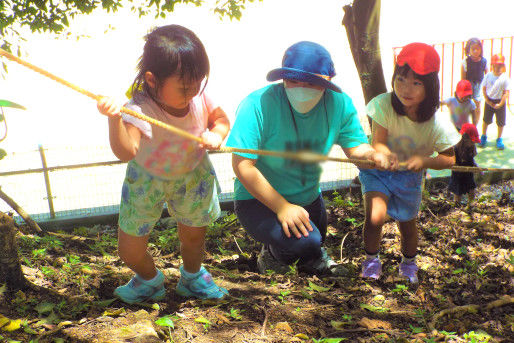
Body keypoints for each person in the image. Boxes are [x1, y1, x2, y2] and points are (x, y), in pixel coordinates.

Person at [225, 41, 393, 275]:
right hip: (258, 200)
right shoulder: (257, 104)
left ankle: (303, 255)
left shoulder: (339, 104)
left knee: (316, 238)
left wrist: (373, 155)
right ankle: (272, 256)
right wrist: (282, 207)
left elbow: (356, 148)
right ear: (283, 78)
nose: (300, 88)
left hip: (308, 197)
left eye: (311, 82)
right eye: (292, 80)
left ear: (328, 81)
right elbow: (242, 165)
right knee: (307, 241)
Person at [96, 24, 230, 303]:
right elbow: (126, 151)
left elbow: (220, 119)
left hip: (192, 174)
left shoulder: (199, 95)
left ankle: (192, 277)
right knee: (129, 250)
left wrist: (216, 135)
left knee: (193, 237)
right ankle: (149, 280)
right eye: (184, 87)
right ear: (153, 80)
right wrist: (113, 119)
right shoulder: (140, 109)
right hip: (146, 180)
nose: (193, 91)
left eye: (198, 82)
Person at [359, 42, 460, 283]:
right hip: (378, 171)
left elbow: (449, 159)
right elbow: (379, 141)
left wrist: (425, 160)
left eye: (416, 83)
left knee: (407, 223)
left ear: (430, 86)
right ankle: (371, 259)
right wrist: (382, 154)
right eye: (401, 80)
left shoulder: (438, 122)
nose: (406, 88)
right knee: (375, 217)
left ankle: (409, 263)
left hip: (410, 177)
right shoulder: (384, 104)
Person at [479, 53, 510, 150]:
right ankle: (483, 136)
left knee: (501, 122)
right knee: (486, 120)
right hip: (489, 101)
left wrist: (501, 103)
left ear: (503, 66)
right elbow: (483, 89)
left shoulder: (505, 78)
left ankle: (499, 139)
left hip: (500, 101)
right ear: (492, 65)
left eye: (500, 66)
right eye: (496, 65)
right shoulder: (488, 75)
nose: (498, 68)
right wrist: (487, 100)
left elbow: (506, 92)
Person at [448, 123, 480, 207]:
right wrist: (462, 168)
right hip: (458, 175)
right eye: (472, 141)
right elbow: (453, 165)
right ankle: (457, 206)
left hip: (468, 174)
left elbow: (472, 160)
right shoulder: (455, 149)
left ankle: (471, 205)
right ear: (464, 139)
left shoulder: (471, 147)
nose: (473, 143)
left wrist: (476, 167)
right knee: (458, 193)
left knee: (471, 189)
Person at [461, 38, 487, 125]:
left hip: (479, 86)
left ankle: (475, 126)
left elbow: (486, 76)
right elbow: (463, 78)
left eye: (478, 48)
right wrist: (463, 90)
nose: (476, 51)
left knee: (477, 106)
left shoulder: (484, 61)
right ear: (468, 50)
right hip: (468, 86)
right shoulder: (465, 61)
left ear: (481, 49)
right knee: (466, 106)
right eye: (473, 49)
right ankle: (465, 125)